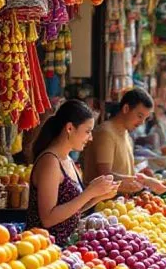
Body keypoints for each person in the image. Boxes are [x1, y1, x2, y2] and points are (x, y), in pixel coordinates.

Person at [26, 100, 120, 246]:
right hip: (44, 250)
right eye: (88, 131)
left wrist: (97, 197)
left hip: (65, 248)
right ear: (69, 128)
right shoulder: (50, 161)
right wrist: (89, 193)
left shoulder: (68, 160)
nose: (91, 138)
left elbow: (70, 209)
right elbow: (48, 218)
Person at [82, 88, 166, 195]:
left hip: (121, 205)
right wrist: (145, 181)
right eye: (139, 116)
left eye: (145, 119)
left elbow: (124, 174)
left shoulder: (127, 136)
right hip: (101, 206)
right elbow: (105, 177)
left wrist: (144, 177)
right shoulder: (106, 133)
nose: (142, 123)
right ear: (126, 108)